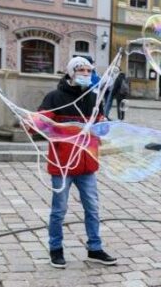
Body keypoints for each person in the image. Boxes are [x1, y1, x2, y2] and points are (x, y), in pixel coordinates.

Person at [37, 56, 117, 268]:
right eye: (81, 70)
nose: (86, 74)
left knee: (92, 208)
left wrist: (103, 124)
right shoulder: (54, 97)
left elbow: (101, 125)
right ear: (71, 73)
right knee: (59, 210)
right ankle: (56, 249)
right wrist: (34, 121)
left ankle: (95, 248)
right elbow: (40, 124)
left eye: (89, 71)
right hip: (63, 164)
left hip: (86, 165)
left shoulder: (93, 98)